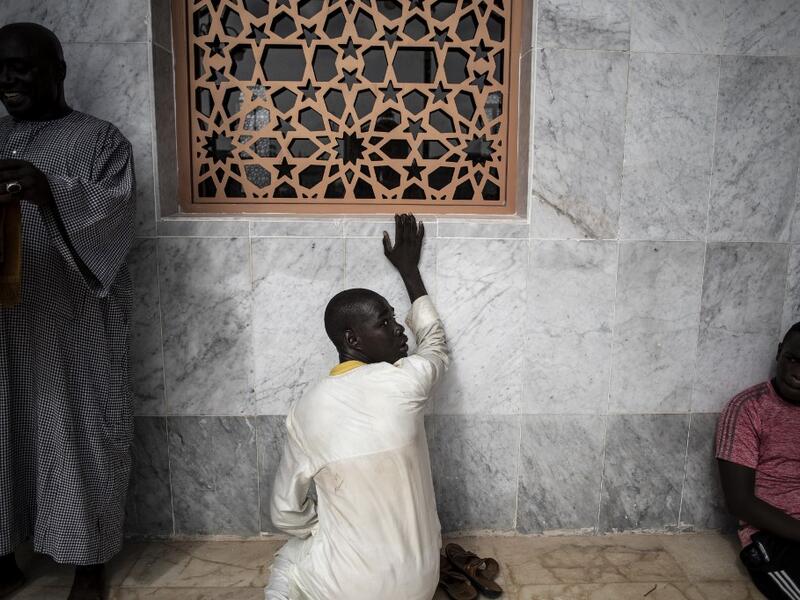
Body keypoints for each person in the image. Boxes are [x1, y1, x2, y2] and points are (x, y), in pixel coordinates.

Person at [0, 22, 136, 600]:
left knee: (81, 436)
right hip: (7, 323)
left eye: (22, 67)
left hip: (75, 322)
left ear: (57, 70)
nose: (8, 80)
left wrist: (48, 188)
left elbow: (115, 218)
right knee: (5, 439)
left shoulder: (102, 141)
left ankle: (88, 563)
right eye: (0, 69)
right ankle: (5, 553)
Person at [266, 214, 448, 600]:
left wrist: (325, 529)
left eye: (396, 319)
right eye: (385, 322)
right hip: (422, 583)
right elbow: (434, 343)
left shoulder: (305, 411)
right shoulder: (406, 380)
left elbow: (284, 512)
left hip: (349, 589)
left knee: (290, 555)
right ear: (353, 338)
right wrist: (410, 274)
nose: (399, 329)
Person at [716, 323, 800, 599]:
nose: (797, 373)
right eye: (792, 359)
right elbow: (740, 502)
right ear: (779, 353)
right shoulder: (749, 408)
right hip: (775, 537)